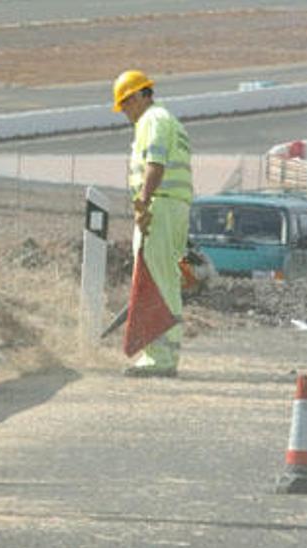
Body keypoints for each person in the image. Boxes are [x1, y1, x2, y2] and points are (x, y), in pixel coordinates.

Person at [113, 70, 192, 378]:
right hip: (174, 207)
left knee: (155, 281)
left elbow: (155, 163)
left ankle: (158, 357)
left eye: (125, 105)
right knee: (166, 280)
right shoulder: (170, 120)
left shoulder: (153, 120)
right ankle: (165, 354)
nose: (125, 114)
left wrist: (143, 202)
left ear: (138, 96)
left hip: (160, 206)